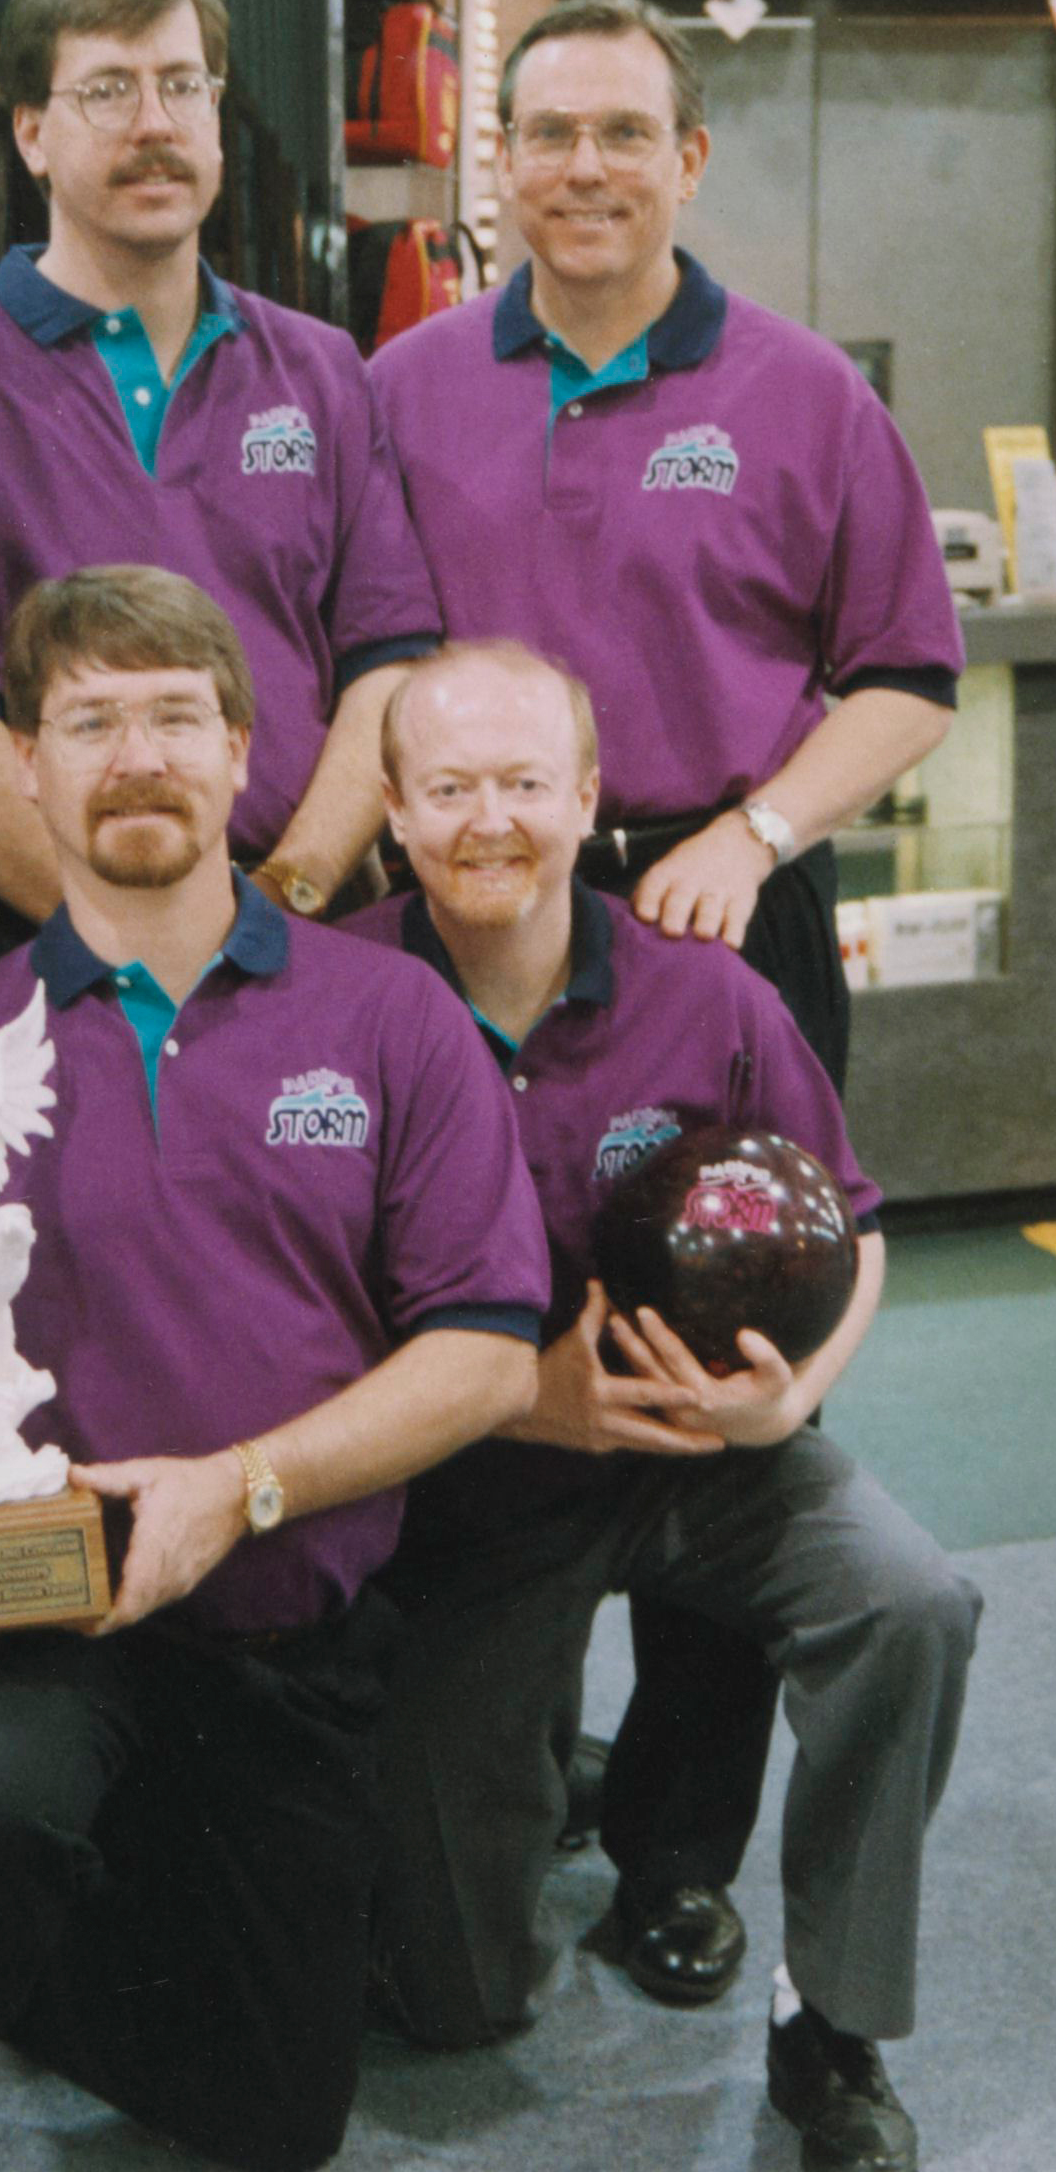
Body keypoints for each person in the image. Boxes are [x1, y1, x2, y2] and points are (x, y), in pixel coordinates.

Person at [0, 566, 548, 2172]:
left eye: (176, 717)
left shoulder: (390, 1020)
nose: (137, 756)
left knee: (271, 2120)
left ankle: (26, 1945)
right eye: (90, 721)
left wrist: (239, 1487)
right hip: (27, 1617)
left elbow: (485, 1356)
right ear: (28, 768)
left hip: (279, 1629)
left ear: (243, 750)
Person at [368, 0, 965, 1999]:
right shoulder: (409, 383)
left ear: (686, 159)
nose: (584, 167)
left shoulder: (799, 394)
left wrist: (761, 831)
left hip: (722, 904)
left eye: (624, 132)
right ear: (499, 162)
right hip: (459, 899)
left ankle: (675, 1851)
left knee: (717, 1370)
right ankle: (506, 1746)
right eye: (546, 133)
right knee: (489, 1343)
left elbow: (901, 671)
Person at [346, 640, 979, 2172]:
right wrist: (511, 1399)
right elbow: (276, 1312)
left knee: (909, 1600)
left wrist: (787, 1409)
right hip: (460, 1485)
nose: (487, 821)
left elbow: (859, 1226)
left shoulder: (711, 996)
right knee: (453, 2001)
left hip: (702, 1455)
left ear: (586, 796)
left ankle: (829, 2024)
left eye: (520, 784)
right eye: (448, 789)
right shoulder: (327, 1007)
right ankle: (521, 1756)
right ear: (390, 810)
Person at [0, 0, 440, 947]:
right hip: (52, 950)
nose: (154, 124)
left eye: (183, 86)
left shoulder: (319, 371)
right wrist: (148, 944)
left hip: (310, 932)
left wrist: (293, 894)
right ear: (31, 134)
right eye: (106, 91)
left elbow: (385, 667)